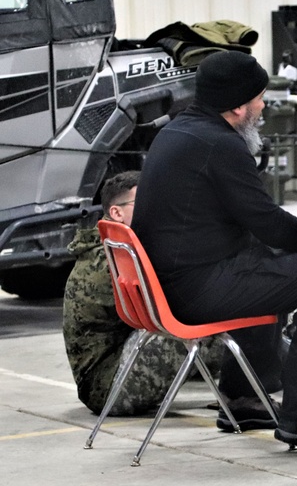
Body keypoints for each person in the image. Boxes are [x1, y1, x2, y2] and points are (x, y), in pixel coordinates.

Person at [131, 50, 297, 451]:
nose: (263, 106)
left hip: (167, 285)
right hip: (192, 292)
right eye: (259, 97)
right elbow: (270, 222)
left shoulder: (179, 132)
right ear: (239, 106)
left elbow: (257, 227)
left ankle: (245, 398)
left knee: (267, 258)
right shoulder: (219, 145)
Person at [63, 172, 223, 416]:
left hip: (109, 374)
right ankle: (246, 396)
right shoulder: (112, 258)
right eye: (148, 203)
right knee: (215, 316)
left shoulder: (112, 244)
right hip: (110, 389)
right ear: (117, 213)